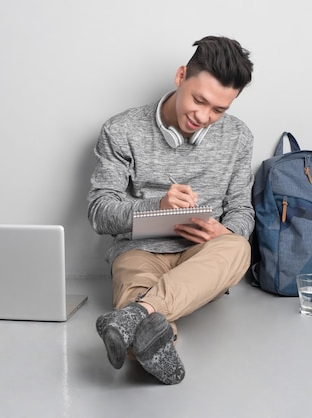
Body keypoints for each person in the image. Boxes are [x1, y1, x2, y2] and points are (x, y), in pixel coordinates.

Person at [87, 35, 255, 385]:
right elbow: (100, 212)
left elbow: (241, 209)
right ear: (181, 76)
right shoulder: (121, 130)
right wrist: (158, 206)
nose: (204, 116)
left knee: (239, 247)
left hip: (203, 254)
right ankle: (146, 325)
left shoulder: (239, 137)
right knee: (138, 305)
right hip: (139, 252)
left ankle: (136, 315)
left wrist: (226, 232)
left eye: (219, 110)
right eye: (199, 100)